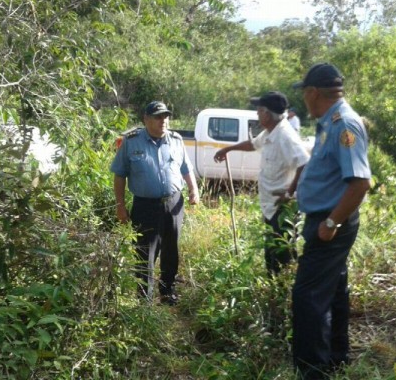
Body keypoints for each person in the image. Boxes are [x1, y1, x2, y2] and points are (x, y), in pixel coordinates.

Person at [291, 63, 371, 379]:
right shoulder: (331, 122)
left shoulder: (343, 124)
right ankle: (337, 359)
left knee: (308, 298)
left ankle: (313, 371)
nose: (304, 100)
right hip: (327, 220)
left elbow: (360, 182)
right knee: (334, 290)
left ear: (312, 93)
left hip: (330, 224)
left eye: (304, 94)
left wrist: (331, 223)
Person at [111, 101, 199, 305]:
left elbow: (186, 168)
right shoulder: (131, 141)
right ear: (146, 119)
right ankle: (145, 298)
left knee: (171, 249)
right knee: (144, 251)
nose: (163, 121)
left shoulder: (176, 140)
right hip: (144, 205)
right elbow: (119, 175)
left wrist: (194, 190)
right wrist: (120, 206)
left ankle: (167, 291)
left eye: (166, 116)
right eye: (158, 117)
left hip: (174, 203)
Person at [213, 91, 310, 276]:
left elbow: (304, 163)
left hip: (283, 210)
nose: (257, 114)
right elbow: (253, 144)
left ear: (267, 114)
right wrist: (228, 149)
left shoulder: (285, 136)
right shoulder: (271, 132)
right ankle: (275, 297)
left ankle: (283, 298)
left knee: (284, 257)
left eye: (259, 111)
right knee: (272, 257)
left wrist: (290, 193)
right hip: (271, 207)